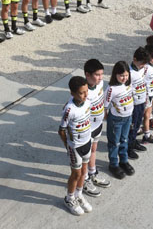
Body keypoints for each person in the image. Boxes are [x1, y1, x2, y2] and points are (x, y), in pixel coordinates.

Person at [59, 76, 93, 216]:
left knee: (84, 172)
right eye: (81, 93)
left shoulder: (87, 102)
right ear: (72, 93)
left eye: (86, 91)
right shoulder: (69, 109)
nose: (85, 95)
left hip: (87, 142)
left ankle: (79, 194)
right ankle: (69, 198)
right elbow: (61, 130)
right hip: (75, 147)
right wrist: (68, 146)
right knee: (76, 174)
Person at [82, 59, 111, 196]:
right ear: (87, 75)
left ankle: (92, 172)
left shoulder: (100, 85)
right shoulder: (83, 92)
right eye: (97, 75)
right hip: (87, 130)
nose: (101, 78)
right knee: (84, 157)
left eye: (102, 74)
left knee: (94, 150)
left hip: (98, 125)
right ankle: (84, 180)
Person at [104, 61, 134, 179]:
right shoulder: (111, 89)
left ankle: (124, 160)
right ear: (115, 74)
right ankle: (113, 164)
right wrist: (106, 116)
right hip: (116, 119)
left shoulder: (128, 85)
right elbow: (105, 105)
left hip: (128, 117)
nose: (124, 78)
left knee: (124, 140)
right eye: (121, 75)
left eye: (126, 75)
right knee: (114, 142)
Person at [127, 47, 150, 160]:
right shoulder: (129, 73)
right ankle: (128, 147)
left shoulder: (142, 69)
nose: (143, 65)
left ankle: (133, 140)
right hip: (133, 104)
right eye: (141, 63)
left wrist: (145, 97)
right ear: (134, 59)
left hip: (141, 101)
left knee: (137, 124)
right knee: (132, 125)